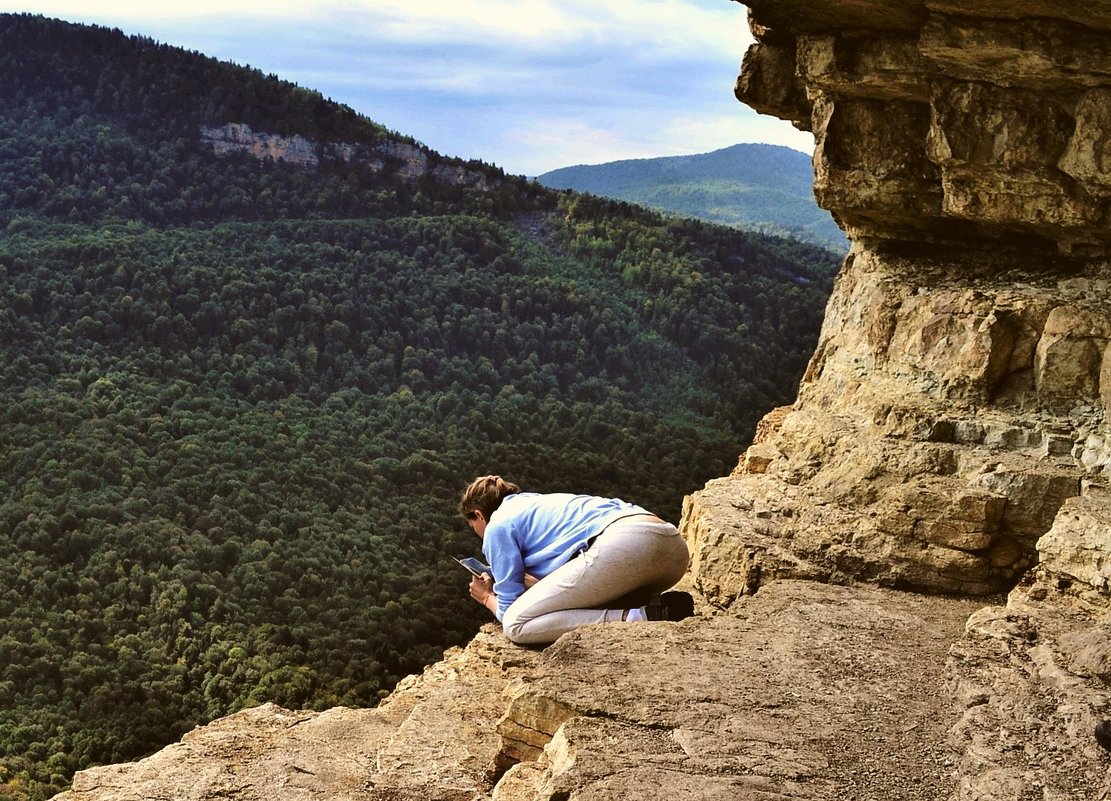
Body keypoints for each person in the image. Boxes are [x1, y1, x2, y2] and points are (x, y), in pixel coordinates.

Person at [458, 474, 694, 645]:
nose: (478, 533)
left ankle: (638, 617)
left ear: (478, 515)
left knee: (516, 625)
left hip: (626, 547)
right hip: (672, 550)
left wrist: (487, 597)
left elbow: (509, 609)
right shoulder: (537, 503)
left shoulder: (497, 524)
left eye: (473, 527)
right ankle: (653, 606)